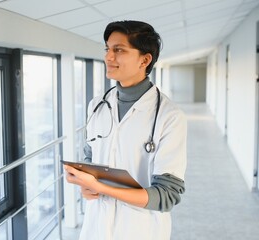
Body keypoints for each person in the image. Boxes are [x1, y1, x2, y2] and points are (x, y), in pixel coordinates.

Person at [64, 20, 187, 240]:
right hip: (96, 227)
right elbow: (91, 158)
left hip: (141, 229)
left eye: (119, 50)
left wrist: (100, 187)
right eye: (107, 49)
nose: (108, 57)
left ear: (145, 60)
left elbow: (167, 195)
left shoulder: (170, 117)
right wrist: (87, 185)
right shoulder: (97, 106)